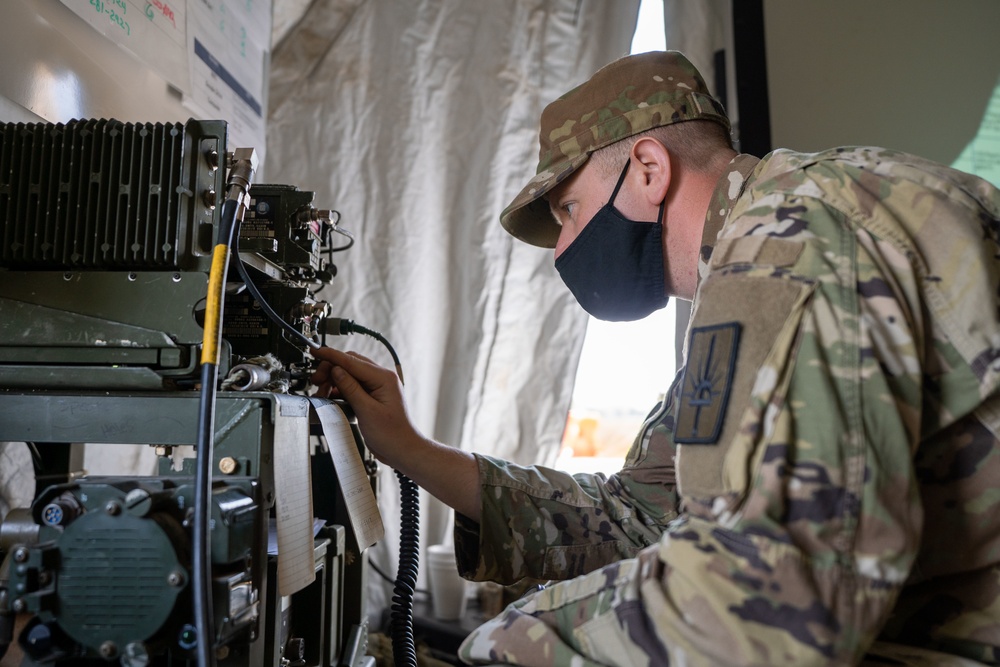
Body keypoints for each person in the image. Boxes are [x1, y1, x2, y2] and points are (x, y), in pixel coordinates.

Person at [312, 50, 1000, 665]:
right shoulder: (771, 249)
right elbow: (638, 517)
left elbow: (784, 603)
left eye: (570, 210)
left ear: (648, 168)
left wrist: (515, 643)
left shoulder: (790, 244)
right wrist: (410, 449)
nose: (562, 250)